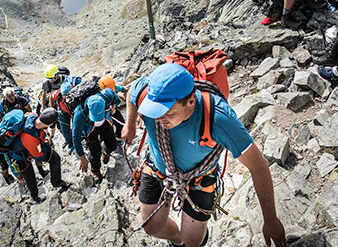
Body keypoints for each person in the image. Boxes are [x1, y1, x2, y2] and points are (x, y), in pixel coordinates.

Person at [122, 64, 286, 247]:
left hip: (200, 178)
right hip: (157, 167)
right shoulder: (147, 92)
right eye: (154, 111)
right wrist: (130, 125)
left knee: (192, 242)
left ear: (191, 101)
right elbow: (132, 92)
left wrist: (270, 219)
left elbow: (258, 167)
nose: (158, 119)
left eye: (167, 112)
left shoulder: (218, 118)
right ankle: (176, 241)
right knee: (152, 227)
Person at [3, 109, 68, 202]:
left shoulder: (32, 115)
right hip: (18, 157)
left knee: (55, 157)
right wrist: (45, 144)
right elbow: (38, 156)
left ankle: (56, 182)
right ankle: (35, 196)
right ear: (49, 125)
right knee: (30, 178)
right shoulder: (30, 137)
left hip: (26, 147)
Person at [72, 89, 121, 182]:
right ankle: (96, 171)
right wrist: (82, 157)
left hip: (106, 123)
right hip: (90, 130)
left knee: (113, 144)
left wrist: (114, 106)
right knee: (95, 153)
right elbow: (75, 136)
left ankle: (106, 152)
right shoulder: (79, 114)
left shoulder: (106, 96)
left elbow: (114, 96)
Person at [98, 75, 128, 154]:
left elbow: (117, 88)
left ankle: (118, 140)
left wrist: (124, 89)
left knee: (121, 124)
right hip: (105, 113)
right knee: (106, 130)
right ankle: (107, 146)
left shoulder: (112, 87)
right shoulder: (99, 96)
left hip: (113, 110)